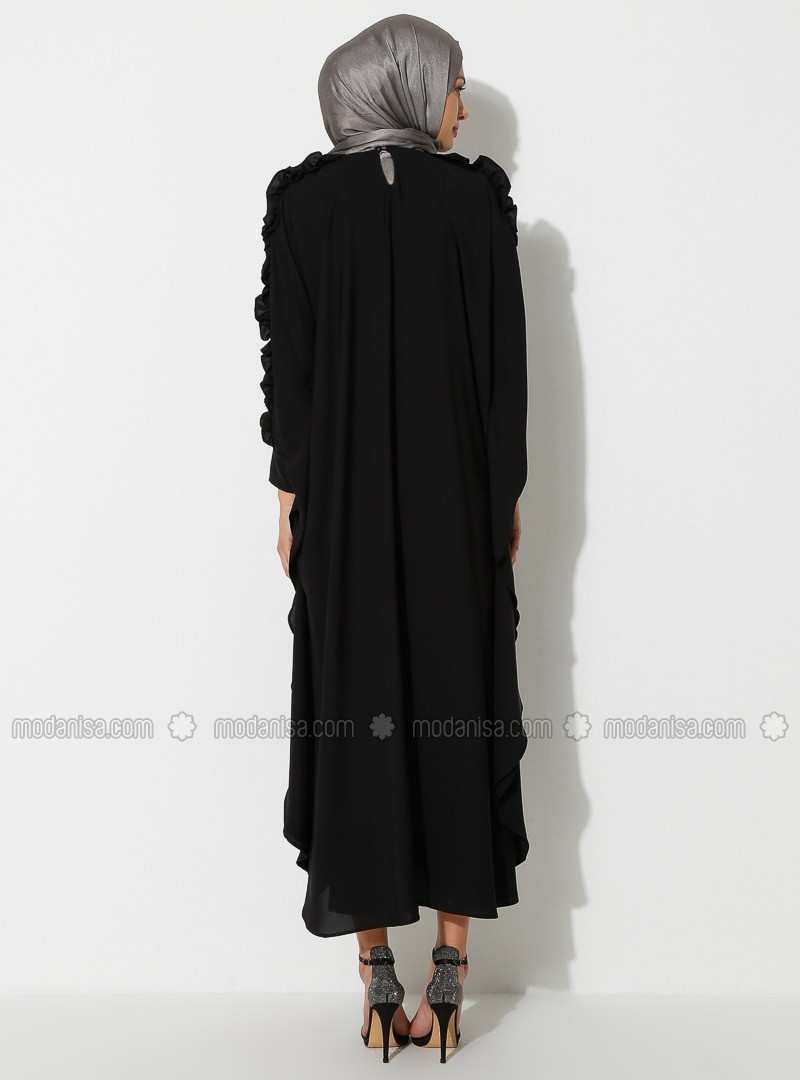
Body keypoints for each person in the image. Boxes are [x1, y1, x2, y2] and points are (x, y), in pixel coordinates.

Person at [254, 13, 529, 1063]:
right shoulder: (474, 203)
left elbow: (290, 364)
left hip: (343, 506)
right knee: (459, 700)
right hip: (456, 501)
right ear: (407, 85)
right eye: (454, 84)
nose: (459, 104)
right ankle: (448, 979)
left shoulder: (303, 205)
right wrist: (502, 497)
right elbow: (503, 368)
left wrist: (292, 494)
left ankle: (376, 977)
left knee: (353, 705)